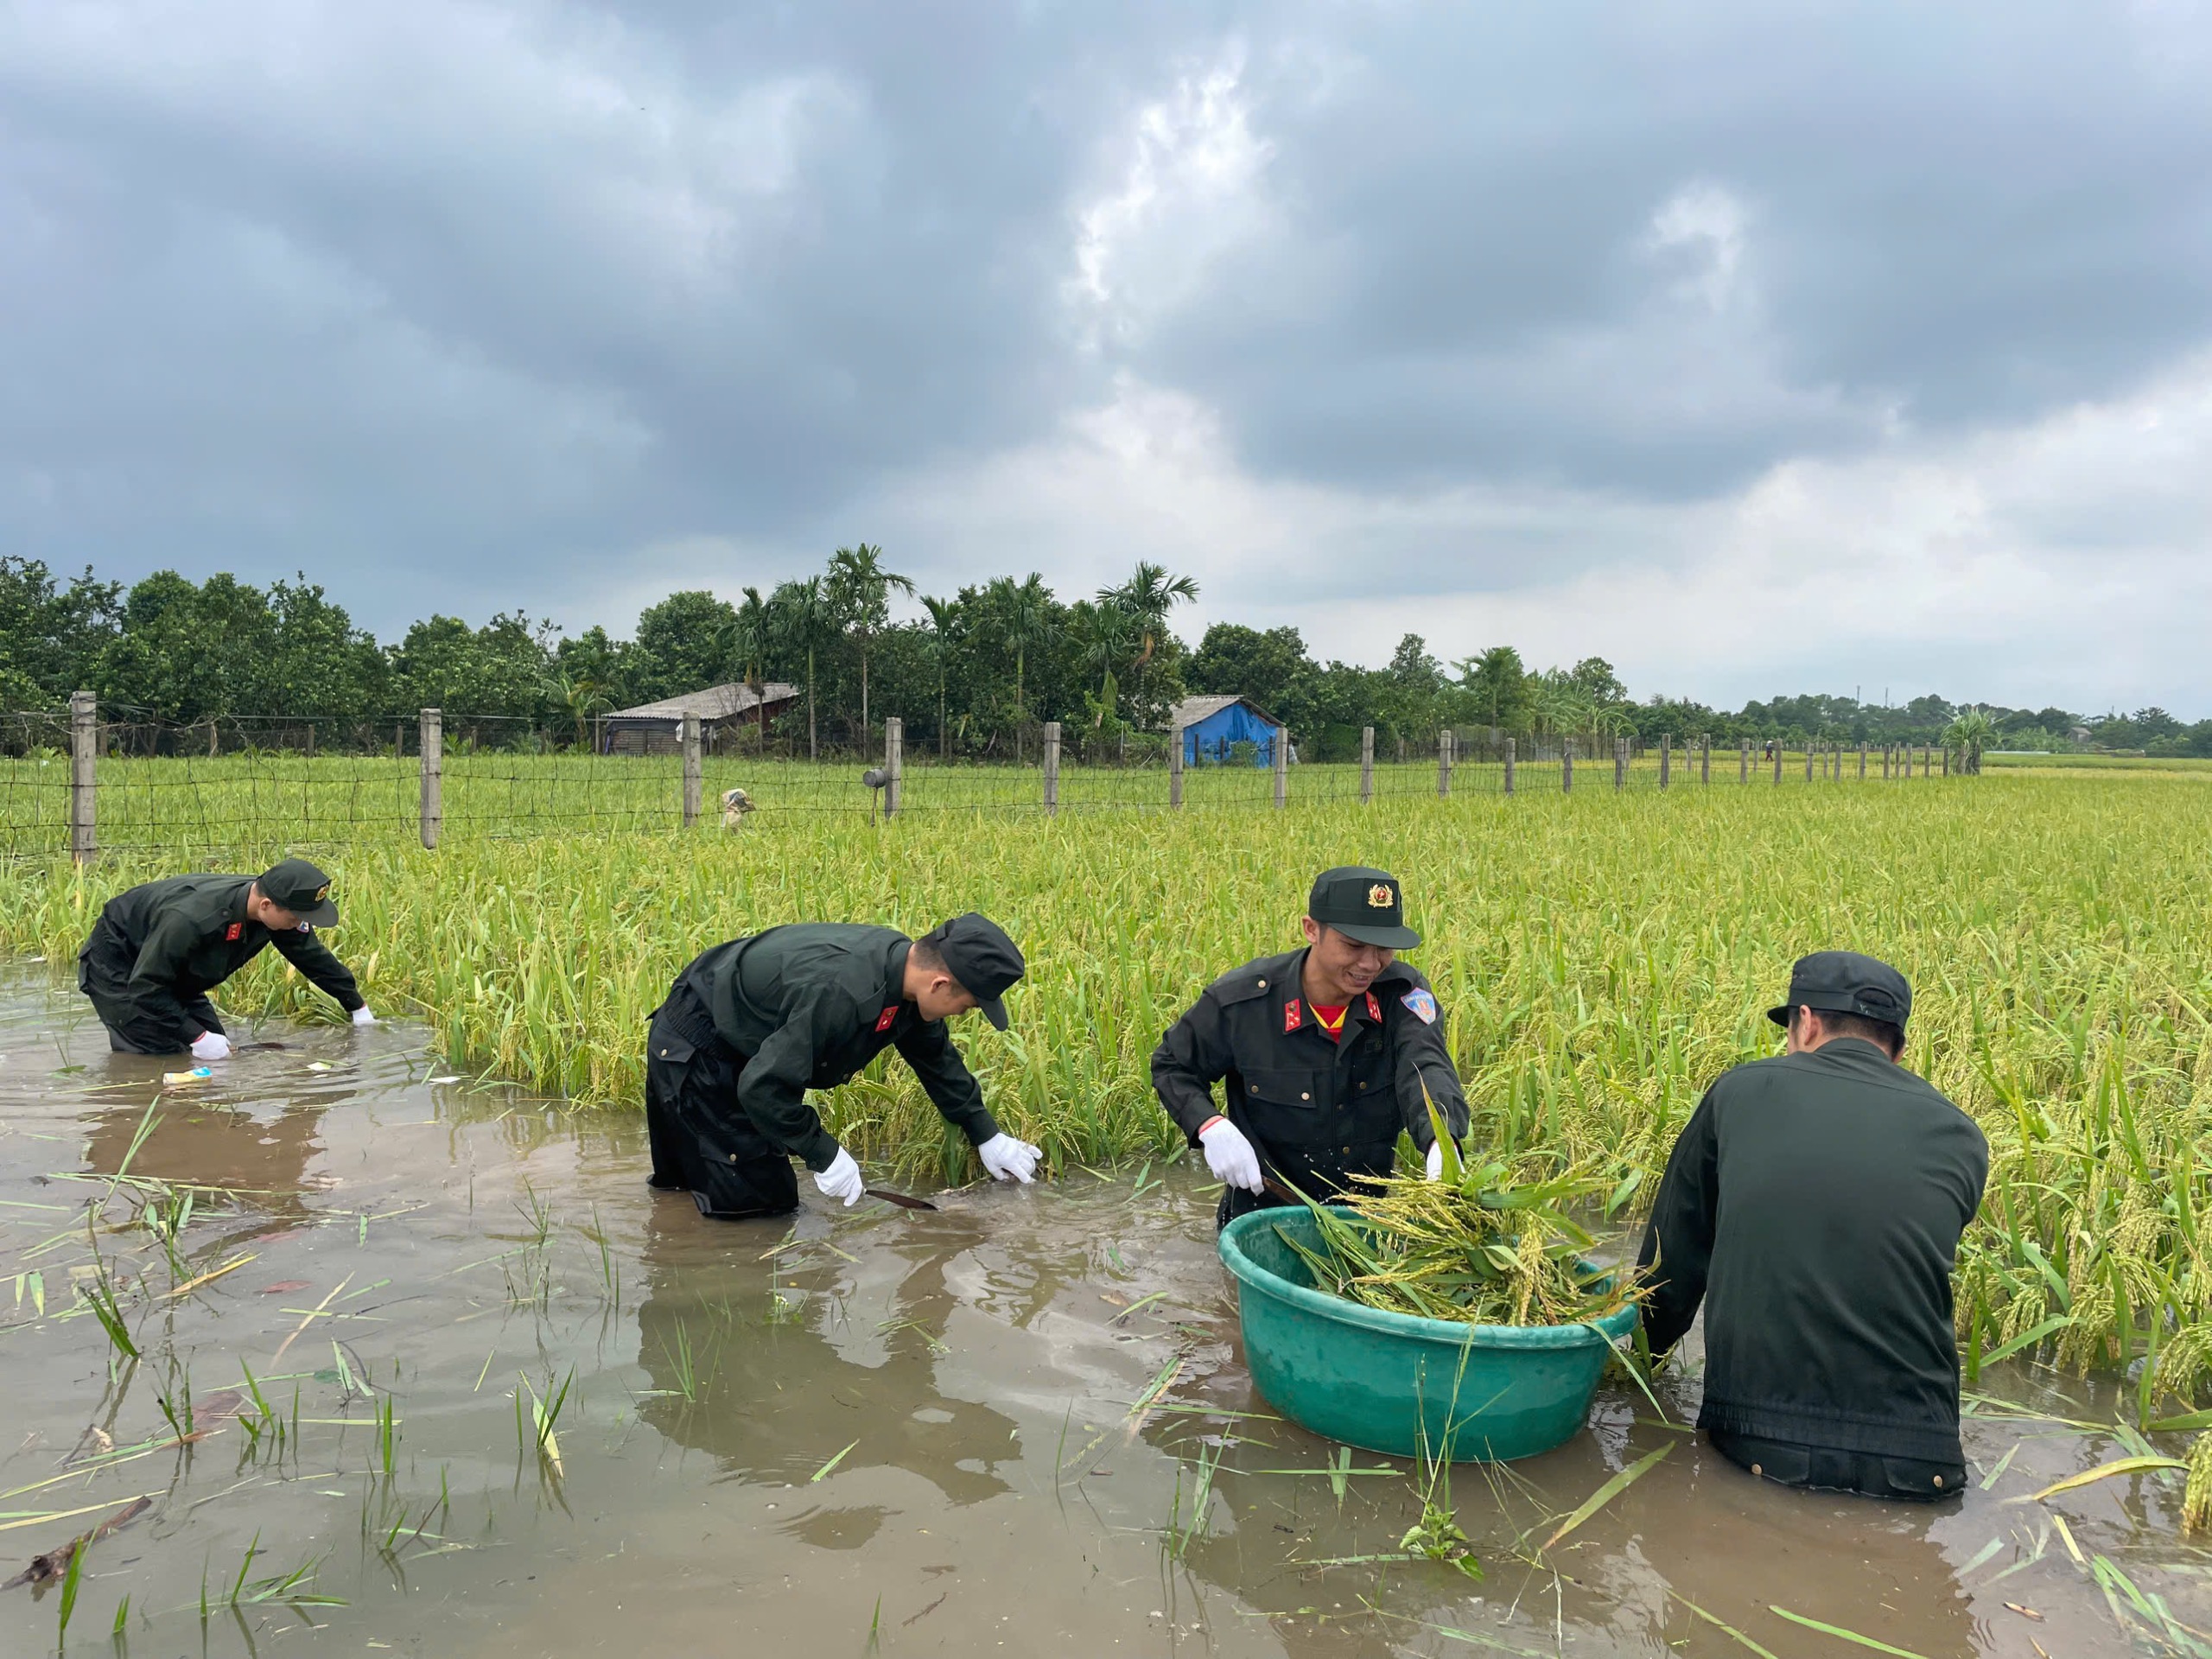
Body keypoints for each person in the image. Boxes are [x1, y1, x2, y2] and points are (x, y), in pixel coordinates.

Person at [1637, 950, 1988, 1500]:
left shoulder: (1740, 1092)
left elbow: (1671, 1263)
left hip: (1759, 1442)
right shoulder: (1962, 1135)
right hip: (1924, 1460)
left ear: (1806, 1022)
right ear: (1898, 1047)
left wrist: (1634, 1368)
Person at [645, 913, 1040, 1219]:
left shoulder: (902, 974)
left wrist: (986, 1133)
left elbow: (934, 1058)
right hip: (696, 1049)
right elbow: (762, 1088)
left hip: (743, 1041)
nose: (961, 1015)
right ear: (939, 984)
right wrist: (824, 1153)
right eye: (967, 1005)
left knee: (710, 1190)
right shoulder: (843, 992)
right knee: (757, 1212)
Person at [1151, 866, 1470, 1230]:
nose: (1369, 964)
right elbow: (1172, 1065)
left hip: (1363, 1225)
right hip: (1263, 1223)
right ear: (1311, 929)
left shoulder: (1401, 992)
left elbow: (1426, 1066)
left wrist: (1442, 1145)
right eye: (1353, 945)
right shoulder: (1244, 1004)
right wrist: (1209, 1125)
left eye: (1383, 948)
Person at [77, 858, 373, 1057]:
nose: (300, 925)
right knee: (158, 1053)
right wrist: (196, 1037)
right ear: (267, 904)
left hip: (170, 964)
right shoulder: (192, 920)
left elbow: (310, 955)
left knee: (222, 1053)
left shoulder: (278, 912)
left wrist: (356, 1005)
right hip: (120, 962)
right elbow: (145, 987)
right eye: (297, 918)